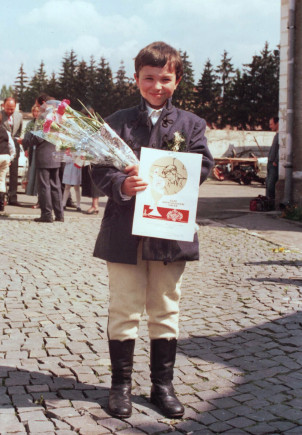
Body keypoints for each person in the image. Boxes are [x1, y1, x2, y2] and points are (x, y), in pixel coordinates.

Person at [91, 41, 214, 419]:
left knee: (165, 308)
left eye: (165, 79)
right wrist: (121, 186)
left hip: (169, 229)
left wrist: (177, 177)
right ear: (136, 78)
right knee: (124, 308)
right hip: (125, 229)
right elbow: (98, 169)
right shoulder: (117, 122)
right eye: (149, 78)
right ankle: (120, 386)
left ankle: (162, 386)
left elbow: (202, 166)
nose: (156, 85)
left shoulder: (192, 125)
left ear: (176, 81)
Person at [32, 99, 64, 223]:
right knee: (56, 186)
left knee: (44, 186)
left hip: (44, 157)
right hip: (55, 155)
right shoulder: (58, 117)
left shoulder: (43, 117)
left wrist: (25, 140)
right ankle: (59, 214)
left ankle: (46, 214)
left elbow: (38, 138)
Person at [0, 97, 23, 206]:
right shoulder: (0, 115)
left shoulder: (19, 116)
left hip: (15, 148)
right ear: (3, 106)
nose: (10, 111)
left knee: (14, 173)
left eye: (12, 109)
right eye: (8, 109)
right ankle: (1, 198)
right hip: (2, 148)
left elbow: (19, 132)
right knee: (2, 174)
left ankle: (13, 197)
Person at [22, 104, 40, 208]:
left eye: (37, 111)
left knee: (40, 177)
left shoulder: (42, 123)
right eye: (34, 112)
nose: (35, 113)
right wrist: (25, 148)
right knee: (33, 175)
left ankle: (40, 200)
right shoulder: (30, 123)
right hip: (32, 151)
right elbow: (26, 137)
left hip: (40, 152)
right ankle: (37, 197)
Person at [0, 123, 16, 212]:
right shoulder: (6, 131)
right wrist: (10, 158)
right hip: (5, 156)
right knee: (2, 180)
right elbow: (12, 147)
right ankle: (1, 204)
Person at [266, 116, 279, 209]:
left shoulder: (280, 135)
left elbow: (281, 149)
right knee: (268, 183)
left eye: (271, 124)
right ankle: (268, 203)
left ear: (277, 124)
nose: (270, 126)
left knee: (271, 185)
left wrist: (276, 161)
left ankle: (271, 204)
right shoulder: (276, 135)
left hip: (274, 164)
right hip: (270, 163)